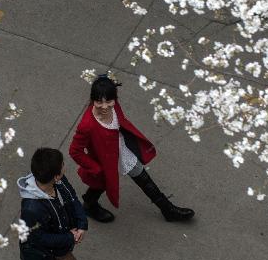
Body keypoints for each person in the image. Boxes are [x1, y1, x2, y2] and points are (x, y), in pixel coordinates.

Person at [18, 147, 130, 260]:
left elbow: (72, 200)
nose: (64, 167)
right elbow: (38, 239)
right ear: (55, 176)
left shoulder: (59, 183)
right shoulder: (32, 209)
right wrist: (69, 238)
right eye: (62, 166)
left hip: (62, 240)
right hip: (58, 248)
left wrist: (81, 224)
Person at [69, 75, 194, 223]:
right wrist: (96, 168)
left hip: (121, 149)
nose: (104, 107)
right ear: (92, 100)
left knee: (142, 177)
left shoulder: (114, 105)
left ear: (114, 98)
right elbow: (74, 151)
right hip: (103, 160)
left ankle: (167, 209)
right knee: (102, 183)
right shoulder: (87, 125)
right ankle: (89, 204)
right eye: (98, 102)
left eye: (108, 101)